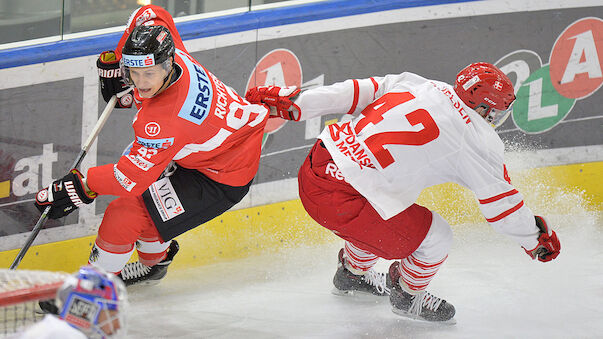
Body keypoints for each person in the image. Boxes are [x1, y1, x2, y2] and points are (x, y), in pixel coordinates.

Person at [245, 62, 561, 322]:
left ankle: (352, 274)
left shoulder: (418, 83)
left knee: (388, 204)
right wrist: (536, 240)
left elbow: (352, 92)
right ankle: (407, 294)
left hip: (316, 167)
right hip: (342, 201)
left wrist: (294, 102)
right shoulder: (477, 138)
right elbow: (502, 209)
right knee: (437, 237)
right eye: (495, 113)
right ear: (483, 109)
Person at [34, 5, 269, 286]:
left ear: (167, 65)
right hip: (211, 148)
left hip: (221, 177)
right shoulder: (173, 51)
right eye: (133, 71)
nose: (140, 83)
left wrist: (83, 186)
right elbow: (150, 12)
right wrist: (123, 65)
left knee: (123, 215)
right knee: (146, 213)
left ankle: (93, 290)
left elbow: (129, 179)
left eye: (149, 74)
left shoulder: (164, 121)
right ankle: (158, 261)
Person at [16, 265, 127, 338]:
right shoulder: (66, 335)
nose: (118, 326)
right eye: (113, 316)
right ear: (85, 309)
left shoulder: (55, 328)